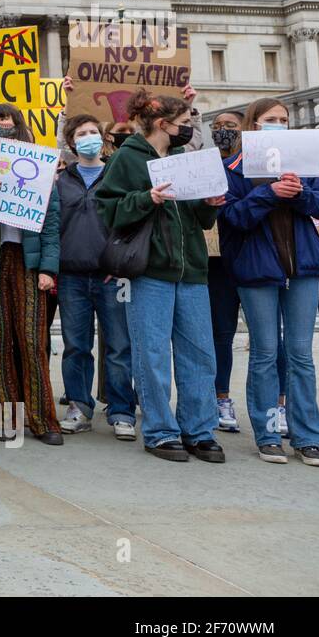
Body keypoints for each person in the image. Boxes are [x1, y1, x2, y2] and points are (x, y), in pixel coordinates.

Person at [96, 89, 226, 463]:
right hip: (149, 269)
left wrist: (209, 204)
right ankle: (160, 430)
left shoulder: (185, 157)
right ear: (162, 124)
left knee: (199, 353)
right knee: (152, 353)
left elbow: (200, 221)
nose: (188, 129)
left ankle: (198, 430)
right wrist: (146, 199)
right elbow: (107, 211)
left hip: (192, 270)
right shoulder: (127, 158)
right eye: (185, 123)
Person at [218, 98, 319, 465]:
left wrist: (301, 194)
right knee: (264, 353)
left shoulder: (304, 162)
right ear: (253, 125)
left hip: (303, 268)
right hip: (257, 269)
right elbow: (231, 217)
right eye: (269, 119)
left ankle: (308, 437)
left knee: (300, 355)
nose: (277, 124)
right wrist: (268, 193)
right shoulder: (234, 166)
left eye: (283, 119)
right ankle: (267, 435)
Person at [0, 103, 63, 445]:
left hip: (29, 260)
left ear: (16, 123)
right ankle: (4, 418)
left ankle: (42, 419)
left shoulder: (40, 161)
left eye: (4, 117)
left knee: (33, 341)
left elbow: (51, 222)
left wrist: (48, 268)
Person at [54, 114, 137, 439]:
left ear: (102, 140)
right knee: (76, 345)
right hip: (72, 276)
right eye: (81, 133)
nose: (88, 136)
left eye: (93, 131)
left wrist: (120, 265)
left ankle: (121, 411)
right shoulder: (59, 181)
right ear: (71, 143)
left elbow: (131, 224)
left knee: (118, 346)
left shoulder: (120, 177)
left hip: (113, 277)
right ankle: (79, 405)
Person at [206, 109, 249, 433]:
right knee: (221, 333)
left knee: (269, 339)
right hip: (216, 262)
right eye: (217, 126)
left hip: (254, 259)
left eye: (230, 126)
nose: (222, 131)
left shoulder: (257, 166)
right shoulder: (205, 164)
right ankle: (221, 397)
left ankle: (280, 403)